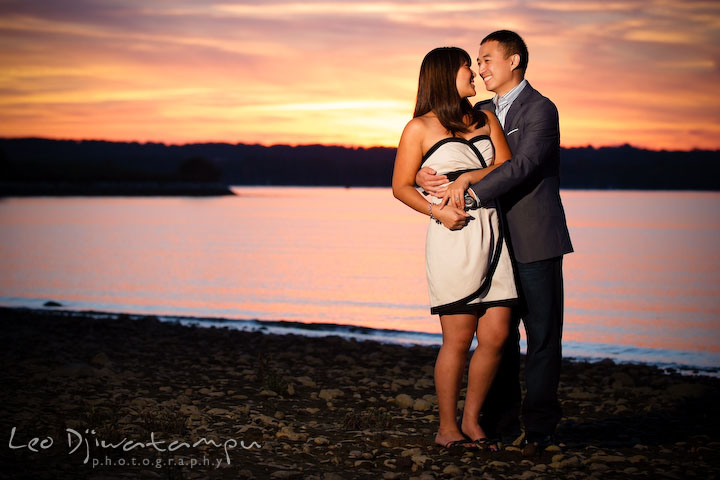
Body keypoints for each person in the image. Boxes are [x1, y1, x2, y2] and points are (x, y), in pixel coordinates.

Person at [416, 30, 574, 454]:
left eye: (486, 59)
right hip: (489, 242)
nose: (479, 67)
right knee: (498, 337)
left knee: (541, 336)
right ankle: (497, 424)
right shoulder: (479, 112)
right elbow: (442, 150)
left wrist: (467, 184)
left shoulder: (541, 109)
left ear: (514, 61)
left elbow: (521, 165)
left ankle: (540, 428)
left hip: (535, 238)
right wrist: (422, 176)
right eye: (476, 62)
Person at [392, 46, 518, 451]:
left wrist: (467, 177)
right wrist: (438, 212)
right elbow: (400, 187)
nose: (476, 73)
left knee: (497, 335)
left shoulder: (485, 118)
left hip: (494, 232)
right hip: (452, 236)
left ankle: (472, 421)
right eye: (468, 65)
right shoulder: (419, 128)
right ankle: (447, 428)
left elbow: (508, 165)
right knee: (458, 339)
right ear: (448, 74)